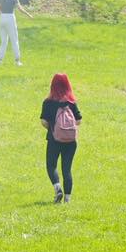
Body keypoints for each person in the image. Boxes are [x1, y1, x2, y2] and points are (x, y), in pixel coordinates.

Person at [41, 72, 83, 202]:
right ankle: (68, 199)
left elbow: (44, 122)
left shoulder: (48, 102)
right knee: (67, 169)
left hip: (54, 139)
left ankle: (57, 188)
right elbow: (79, 120)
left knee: (51, 165)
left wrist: (55, 128)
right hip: (71, 141)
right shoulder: (71, 102)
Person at [0, 0, 27, 65]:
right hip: (10, 18)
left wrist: (1, 14)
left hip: (2, 18)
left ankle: (0, 59)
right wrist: (28, 14)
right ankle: (17, 60)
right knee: (14, 39)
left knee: (3, 41)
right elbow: (20, 8)